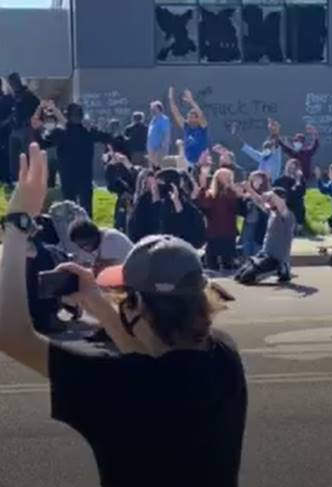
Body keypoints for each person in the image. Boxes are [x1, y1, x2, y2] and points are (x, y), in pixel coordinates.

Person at [0, 143, 247, 486]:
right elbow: (151, 358)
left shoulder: (116, 381)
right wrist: (99, 305)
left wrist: (16, 225)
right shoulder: (223, 357)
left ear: (140, 308)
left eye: (125, 297)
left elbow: (11, 334)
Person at [35, 102, 112, 216]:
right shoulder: (88, 132)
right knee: (86, 208)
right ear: (81, 117)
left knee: (70, 207)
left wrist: (38, 130)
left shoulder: (60, 133)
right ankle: (87, 228)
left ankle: (71, 228)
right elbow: (108, 137)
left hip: (68, 175)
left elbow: (42, 143)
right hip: (85, 175)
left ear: (67, 116)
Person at [128, 167, 207, 249]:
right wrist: (155, 199)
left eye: (160, 183)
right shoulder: (145, 201)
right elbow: (139, 229)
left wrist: (176, 202)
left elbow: (193, 233)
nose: (157, 187)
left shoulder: (186, 205)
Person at [235, 187, 295, 284]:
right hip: (265, 254)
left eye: (271, 200)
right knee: (238, 276)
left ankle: (282, 268)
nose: (269, 202)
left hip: (276, 259)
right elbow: (258, 202)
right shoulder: (272, 213)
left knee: (247, 278)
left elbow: (280, 203)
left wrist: (271, 194)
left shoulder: (287, 215)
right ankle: (279, 269)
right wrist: (248, 187)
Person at [196, 167, 243, 271]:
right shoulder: (210, 194)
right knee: (212, 261)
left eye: (228, 177)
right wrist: (202, 188)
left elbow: (238, 209)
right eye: (224, 177)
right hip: (214, 231)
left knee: (228, 261)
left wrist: (238, 196)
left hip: (229, 231)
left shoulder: (232, 193)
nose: (226, 179)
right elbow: (204, 206)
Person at [7, 73, 40, 185]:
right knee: (14, 157)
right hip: (15, 129)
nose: (13, 84)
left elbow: (38, 108)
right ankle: (16, 180)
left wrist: (33, 121)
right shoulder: (12, 96)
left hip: (26, 128)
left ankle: (30, 179)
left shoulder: (28, 95)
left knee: (27, 155)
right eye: (11, 82)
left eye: (14, 81)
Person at [68, 219, 134, 275]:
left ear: (94, 237)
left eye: (85, 245)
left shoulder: (111, 238)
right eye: (79, 246)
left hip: (131, 271)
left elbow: (107, 267)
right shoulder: (84, 246)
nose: (83, 249)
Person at [168, 87, 208, 169]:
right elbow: (176, 113)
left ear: (197, 119)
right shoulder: (186, 127)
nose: (189, 119)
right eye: (188, 117)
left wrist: (191, 101)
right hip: (188, 162)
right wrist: (171, 99)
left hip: (201, 162)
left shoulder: (202, 127)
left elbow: (200, 114)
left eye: (192, 117)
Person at [104, 151, 139, 233]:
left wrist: (128, 165)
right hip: (124, 208)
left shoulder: (137, 174)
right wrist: (110, 166)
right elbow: (112, 186)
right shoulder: (121, 186)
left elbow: (139, 178)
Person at [239, 170, 271, 259]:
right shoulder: (248, 194)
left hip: (260, 223)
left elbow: (262, 203)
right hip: (249, 222)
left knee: (257, 244)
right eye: (252, 180)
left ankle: (257, 262)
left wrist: (250, 191)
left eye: (257, 179)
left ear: (263, 181)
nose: (254, 182)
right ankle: (247, 261)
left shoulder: (267, 193)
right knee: (246, 243)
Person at [273, 159, 306, 234]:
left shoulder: (300, 180)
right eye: (290, 168)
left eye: (294, 169)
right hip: (283, 202)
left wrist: (298, 181)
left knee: (299, 205)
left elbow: (302, 193)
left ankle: (298, 226)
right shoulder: (279, 180)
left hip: (295, 203)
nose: (291, 171)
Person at [147, 100, 171, 167]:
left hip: (159, 149)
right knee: (152, 169)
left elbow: (166, 134)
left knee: (159, 168)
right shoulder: (153, 120)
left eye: (154, 109)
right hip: (151, 150)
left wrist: (162, 147)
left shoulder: (164, 119)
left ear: (159, 109)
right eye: (151, 109)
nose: (152, 111)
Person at [0, 78, 13, 185]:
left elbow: (13, 114)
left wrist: (6, 122)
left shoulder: (8, 99)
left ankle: (6, 179)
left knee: (6, 156)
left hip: (6, 134)